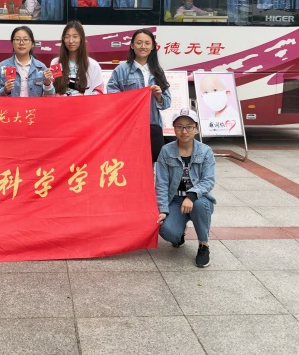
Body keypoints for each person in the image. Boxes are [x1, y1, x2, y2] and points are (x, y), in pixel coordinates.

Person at [156, 109, 216, 268]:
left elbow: (208, 181)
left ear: (196, 128)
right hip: (175, 200)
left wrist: (191, 196)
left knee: (199, 205)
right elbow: (161, 183)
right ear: (174, 128)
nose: (184, 131)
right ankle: (180, 233)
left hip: (198, 199)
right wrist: (163, 209)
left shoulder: (205, 151)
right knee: (166, 231)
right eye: (180, 126)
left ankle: (204, 245)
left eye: (189, 126)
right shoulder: (166, 151)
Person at [107, 29, 171, 162]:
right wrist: (130, 99)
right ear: (132, 45)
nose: (143, 46)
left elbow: (167, 102)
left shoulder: (158, 72)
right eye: (139, 43)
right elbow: (111, 97)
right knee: (128, 162)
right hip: (128, 127)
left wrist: (158, 96)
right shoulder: (121, 70)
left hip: (152, 126)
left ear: (152, 47)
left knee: (151, 164)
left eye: (147, 43)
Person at [0, 26, 55, 97]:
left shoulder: (41, 68)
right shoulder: (1, 67)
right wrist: (5, 90)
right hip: (11, 105)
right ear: (12, 43)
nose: (21, 43)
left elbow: (50, 97)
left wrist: (47, 83)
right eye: (17, 39)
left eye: (25, 39)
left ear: (32, 44)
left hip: (34, 105)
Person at [51, 21, 104, 96]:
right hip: (61, 103)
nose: (71, 41)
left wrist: (84, 97)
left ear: (81, 38)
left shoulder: (92, 65)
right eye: (67, 37)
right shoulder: (56, 63)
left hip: (84, 103)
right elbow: (51, 94)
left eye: (75, 37)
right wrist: (47, 83)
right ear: (63, 39)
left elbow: (99, 92)